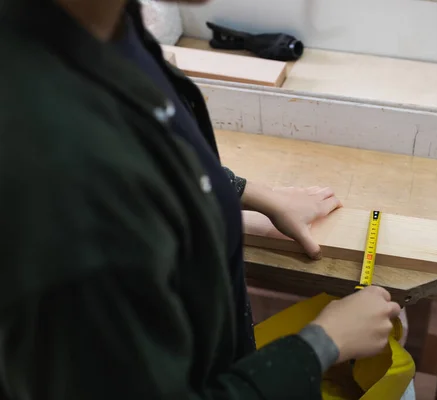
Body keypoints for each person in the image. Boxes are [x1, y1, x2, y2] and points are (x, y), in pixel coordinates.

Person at [0, 0, 402, 399]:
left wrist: (251, 195)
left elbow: (154, 142)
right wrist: (322, 344)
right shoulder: (66, 188)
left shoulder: (101, 23)